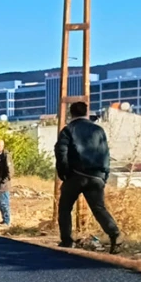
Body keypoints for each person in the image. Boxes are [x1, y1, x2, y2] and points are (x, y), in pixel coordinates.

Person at [54, 101, 121, 252]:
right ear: (86, 113)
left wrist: (63, 173)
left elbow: (61, 152)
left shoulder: (68, 130)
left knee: (65, 208)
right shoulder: (98, 130)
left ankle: (67, 240)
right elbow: (105, 154)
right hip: (97, 176)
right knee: (99, 208)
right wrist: (104, 176)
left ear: (71, 113)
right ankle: (115, 234)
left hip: (76, 176)